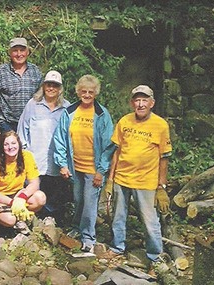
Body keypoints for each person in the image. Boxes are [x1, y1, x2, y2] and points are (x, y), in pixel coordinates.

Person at [102, 85, 171, 268]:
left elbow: (164, 158)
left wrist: (161, 187)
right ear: (132, 103)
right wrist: (110, 180)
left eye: (144, 100)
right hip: (122, 179)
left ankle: (155, 257)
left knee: (150, 221)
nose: (140, 104)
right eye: (137, 100)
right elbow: (117, 152)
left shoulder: (161, 125)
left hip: (146, 182)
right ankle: (117, 247)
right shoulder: (124, 121)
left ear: (152, 103)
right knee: (118, 216)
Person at [52, 74, 115, 252]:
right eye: (83, 91)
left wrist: (101, 171)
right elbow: (60, 138)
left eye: (91, 92)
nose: (87, 95)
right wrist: (62, 164)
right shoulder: (70, 111)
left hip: (93, 169)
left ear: (96, 93)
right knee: (79, 200)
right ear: (78, 92)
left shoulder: (102, 114)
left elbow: (109, 145)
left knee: (89, 203)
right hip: (75, 166)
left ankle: (88, 237)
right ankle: (77, 228)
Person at [17, 70, 71, 224]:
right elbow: (22, 130)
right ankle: (31, 219)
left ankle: (52, 221)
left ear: (60, 88)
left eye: (55, 85)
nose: (51, 88)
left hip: (56, 161)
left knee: (55, 192)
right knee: (35, 191)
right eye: (48, 84)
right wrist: (25, 154)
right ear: (43, 86)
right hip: (36, 159)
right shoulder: (33, 104)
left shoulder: (67, 107)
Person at [0, 131, 46, 234]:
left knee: (40, 198)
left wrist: (22, 198)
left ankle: (20, 218)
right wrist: (13, 203)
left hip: (16, 194)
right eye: (6, 144)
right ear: (2, 147)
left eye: (13, 143)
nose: (10, 147)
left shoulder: (27, 156)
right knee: (10, 220)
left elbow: (35, 183)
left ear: (19, 144)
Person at [0, 37, 42, 142]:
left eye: (22, 50)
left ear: (28, 52)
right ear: (9, 53)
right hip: (6, 124)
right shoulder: (1, 72)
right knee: (8, 154)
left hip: (29, 123)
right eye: (15, 51)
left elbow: (41, 99)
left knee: (26, 155)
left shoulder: (35, 72)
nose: (19, 54)